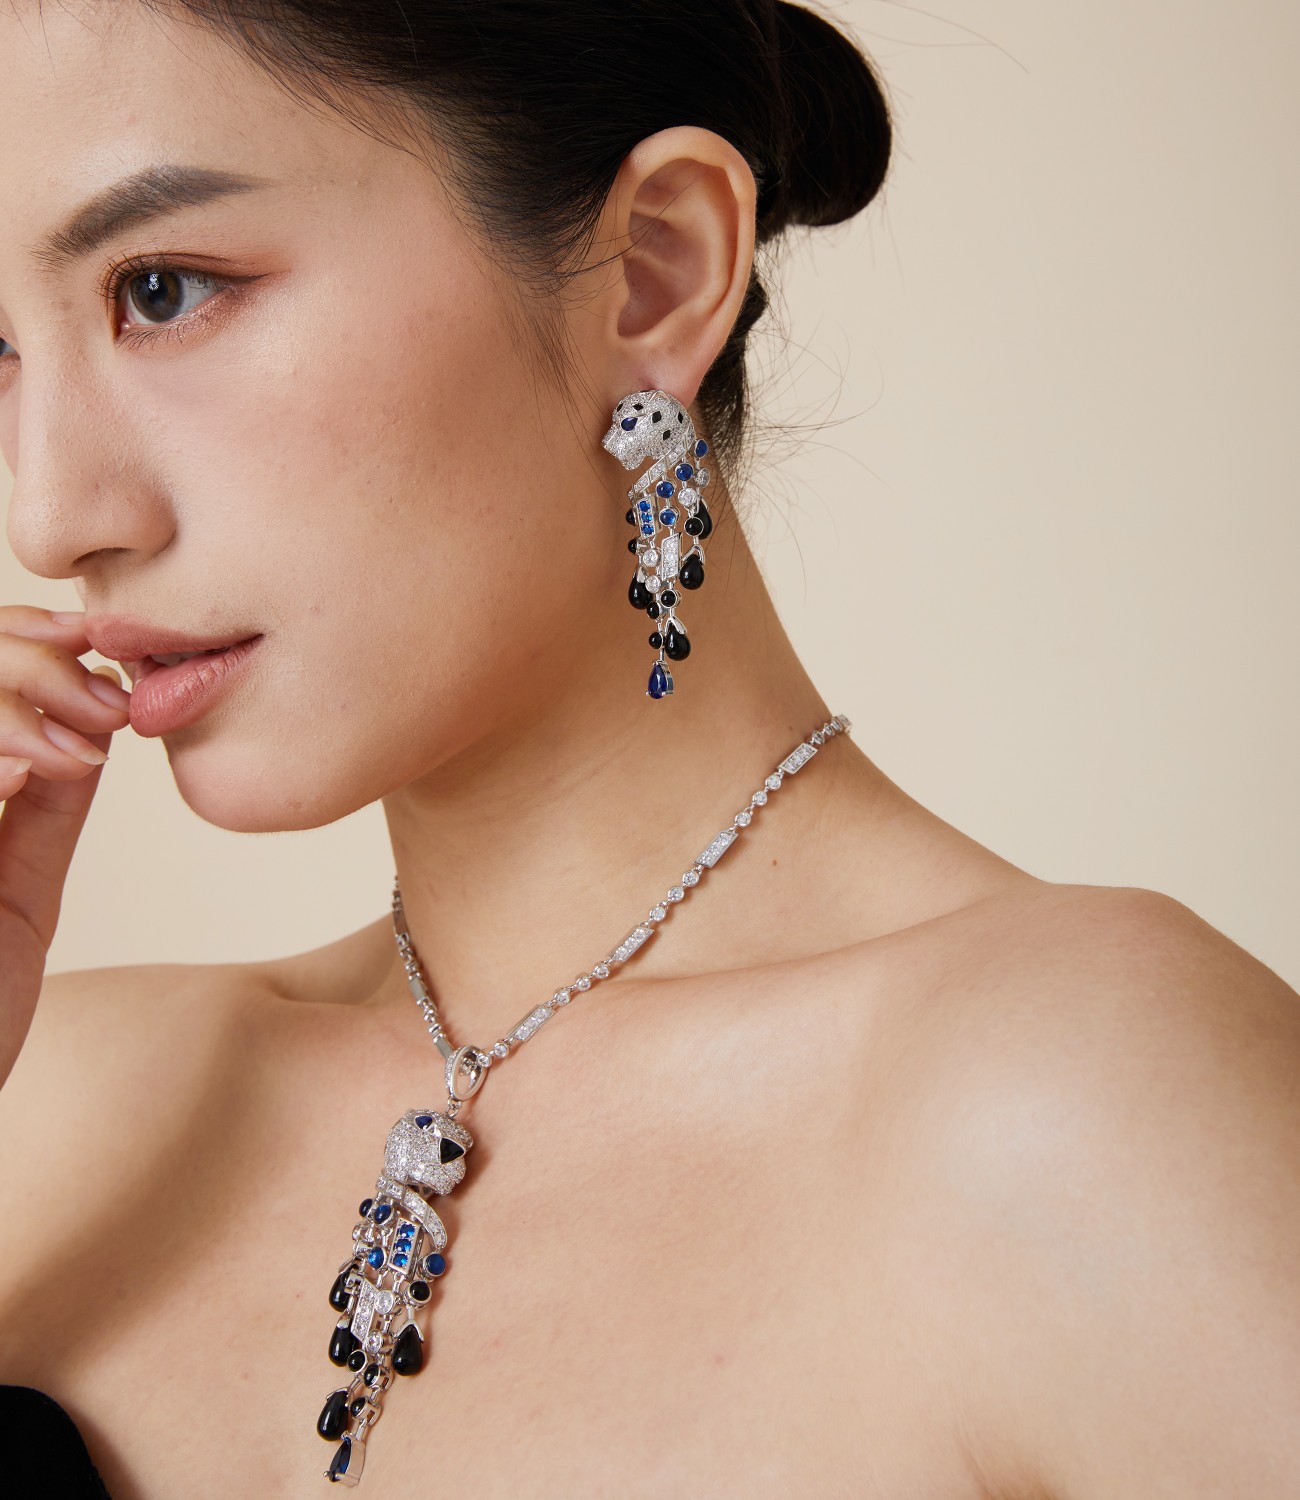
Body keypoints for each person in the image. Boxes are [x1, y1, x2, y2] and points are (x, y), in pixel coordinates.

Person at [0, 1, 1296, 1495]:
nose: (52, 515)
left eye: (162, 291)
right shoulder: (56, 1099)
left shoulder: (1080, 1113)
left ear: (655, 271)